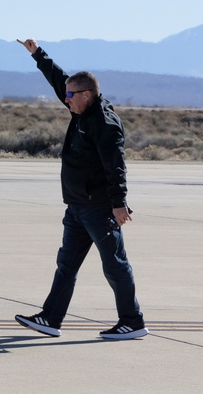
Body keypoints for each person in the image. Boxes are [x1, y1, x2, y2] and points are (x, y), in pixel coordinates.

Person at [14, 39, 148, 340]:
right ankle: (50, 318)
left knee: (114, 265)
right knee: (66, 265)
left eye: (71, 95)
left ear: (86, 95)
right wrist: (38, 54)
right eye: (67, 94)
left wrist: (119, 203)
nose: (66, 98)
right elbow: (60, 80)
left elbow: (116, 166)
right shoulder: (81, 109)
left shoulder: (104, 122)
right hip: (77, 206)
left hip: (99, 207)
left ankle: (133, 321)